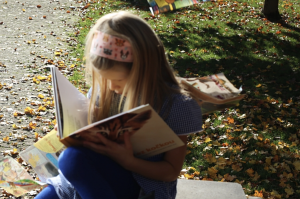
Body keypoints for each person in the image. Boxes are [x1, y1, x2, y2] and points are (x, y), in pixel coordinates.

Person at [35, 11, 202, 199]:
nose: (112, 87)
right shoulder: (105, 91)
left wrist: (128, 161)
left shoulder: (175, 105)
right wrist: (70, 134)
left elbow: (170, 172)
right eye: (105, 80)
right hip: (87, 177)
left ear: (144, 70)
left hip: (138, 185)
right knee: (71, 159)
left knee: (72, 159)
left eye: (119, 80)